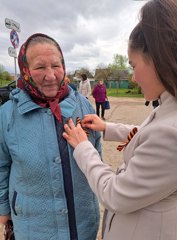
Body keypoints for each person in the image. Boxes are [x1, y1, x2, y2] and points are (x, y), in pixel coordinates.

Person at [63, 0, 177, 239]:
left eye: (133, 65)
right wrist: (107, 128)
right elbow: (149, 134)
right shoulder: (171, 107)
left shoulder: (173, 131)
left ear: (157, 60)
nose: (134, 77)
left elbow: (114, 194)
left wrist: (84, 148)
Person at [0, 33, 101, 240]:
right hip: (33, 228)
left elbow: (96, 154)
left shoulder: (83, 106)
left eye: (56, 65)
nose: (51, 75)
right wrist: (3, 207)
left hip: (83, 226)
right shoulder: (7, 114)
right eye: (39, 67)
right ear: (25, 71)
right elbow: (1, 165)